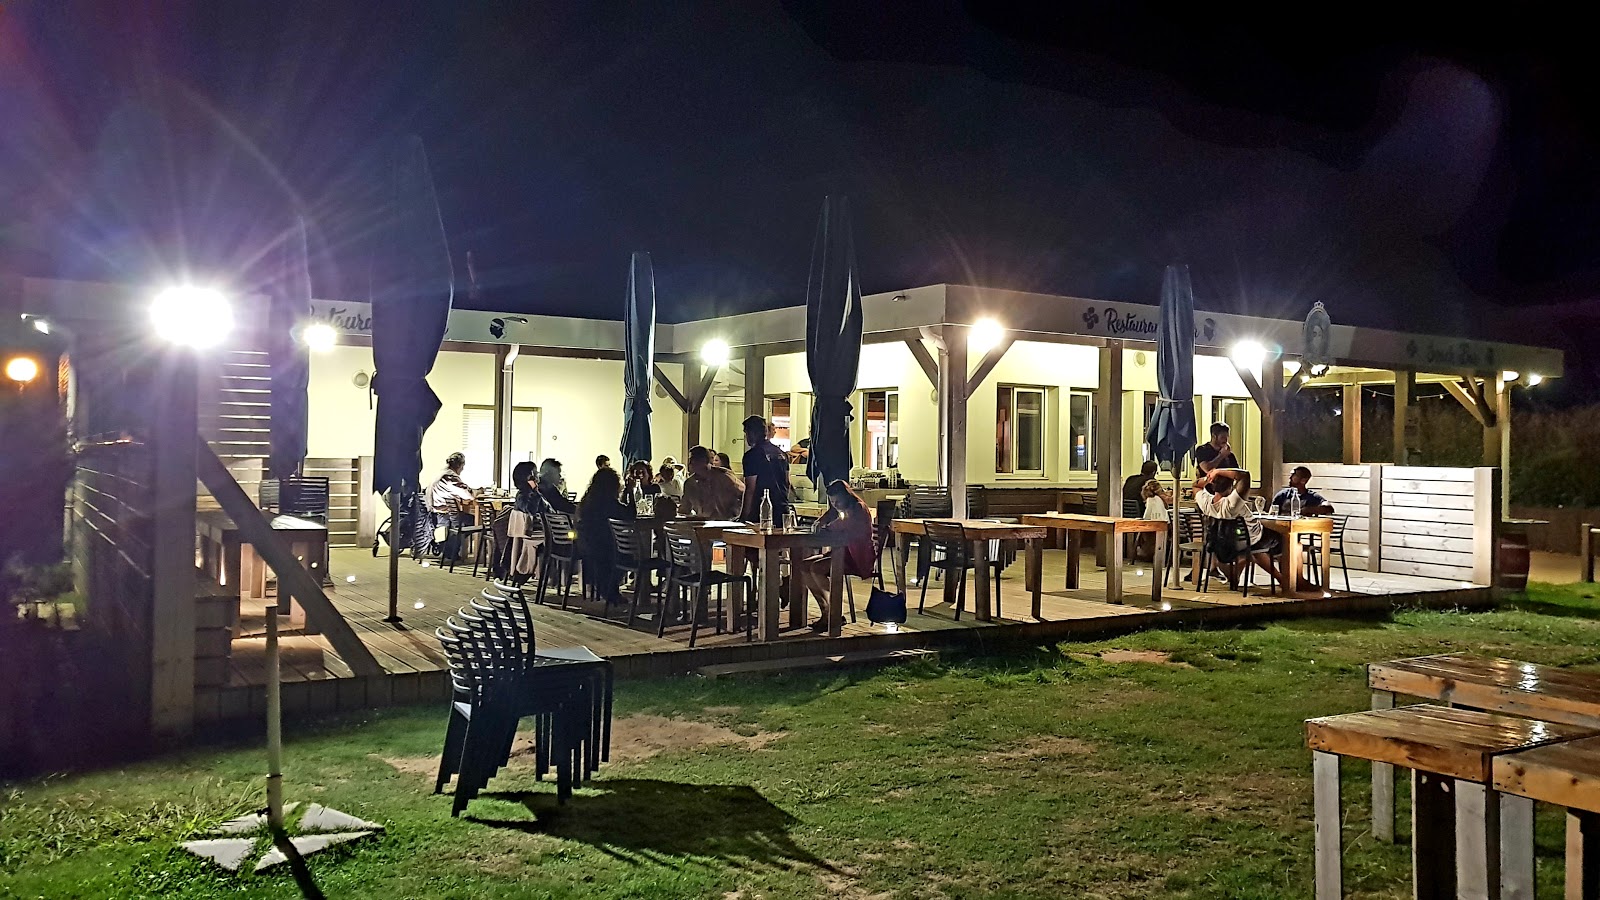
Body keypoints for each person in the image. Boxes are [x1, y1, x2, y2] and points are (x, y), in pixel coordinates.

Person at [796, 480, 875, 631]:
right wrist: (819, 522)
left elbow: (840, 525)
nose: (835, 505)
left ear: (846, 496)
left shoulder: (857, 508)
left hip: (857, 557)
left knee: (817, 568)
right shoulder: (844, 507)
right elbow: (831, 514)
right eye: (832, 502)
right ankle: (826, 611)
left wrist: (825, 527)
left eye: (838, 501)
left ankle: (834, 612)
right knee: (804, 566)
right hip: (842, 553)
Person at [1198, 468, 1284, 592]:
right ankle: (1288, 579)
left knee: (1253, 549)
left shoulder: (1205, 502)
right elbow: (1244, 475)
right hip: (1246, 542)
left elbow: (1196, 485)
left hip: (1220, 544)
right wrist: (1218, 471)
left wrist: (1208, 478)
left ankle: (1236, 575)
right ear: (1231, 485)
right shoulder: (1233, 502)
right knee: (1284, 540)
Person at [576, 465, 634, 604]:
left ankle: (607, 587)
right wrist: (630, 492)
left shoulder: (588, 501)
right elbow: (629, 514)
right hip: (605, 548)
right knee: (630, 554)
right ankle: (610, 589)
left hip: (587, 545)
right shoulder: (608, 503)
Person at [739, 415, 791, 523]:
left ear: (751, 433)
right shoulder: (781, 453)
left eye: (746, 433)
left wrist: (743, 518)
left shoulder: (751, 456)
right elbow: (787, 483)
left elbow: (750, 489)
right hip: (782, 509)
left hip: (761, 511)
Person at [427, 451, 476, 561]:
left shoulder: (440, 473)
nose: (463, 469)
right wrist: (478, 491)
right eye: (462, 466)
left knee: (464, 520)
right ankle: (450, 549)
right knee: (475, 521)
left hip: (435, 513)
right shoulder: (449, 476)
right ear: (459, 465)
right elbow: (467, 494)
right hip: (445, 515)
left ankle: (449, 548)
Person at [682, 445, 743, 519]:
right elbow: (684, 509)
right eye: (690, 460)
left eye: (694, 459)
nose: (690, 463)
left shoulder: (723, 477)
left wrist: (736, 515)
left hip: (726, 522)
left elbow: (743, 495)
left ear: (705, 460)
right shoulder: (689, 483)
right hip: (702, 523)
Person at [1271, 466, 1335, 516]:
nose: (1290, 478)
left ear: (1303, 480)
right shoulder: (1282, 495)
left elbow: (1329, 508)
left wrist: (1307, 510)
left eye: (1294, 475)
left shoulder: (1311, 497)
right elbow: (1272, 512)